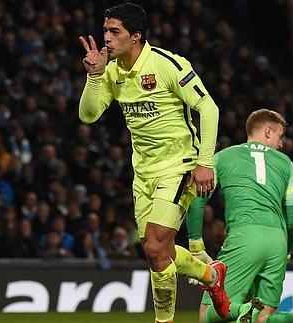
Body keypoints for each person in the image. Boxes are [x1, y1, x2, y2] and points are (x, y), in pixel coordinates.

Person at [78, 3, 227, 322]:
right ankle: (212, 276)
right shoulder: (111, 70)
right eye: (105, 30)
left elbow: (209, 108)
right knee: (159, 250)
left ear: (135, 37)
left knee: (155, 247)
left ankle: (164, 320)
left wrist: (204, 162)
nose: (106, 38)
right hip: (143, 173)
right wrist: (94, 76)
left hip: (179, 166)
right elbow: (88, 115)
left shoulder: (167, 64)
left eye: (114, 31)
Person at [187, 109, 293, 323]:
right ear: (267, 131)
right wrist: (287, 251)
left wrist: (196, 245)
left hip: (245, 236)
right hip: (278, 241)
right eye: (280, 136)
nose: (282, 144)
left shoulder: (223, 157)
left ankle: (243, 309)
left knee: (207, 315)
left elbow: (196, 203)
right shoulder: (288, 165)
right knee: (264, 317)